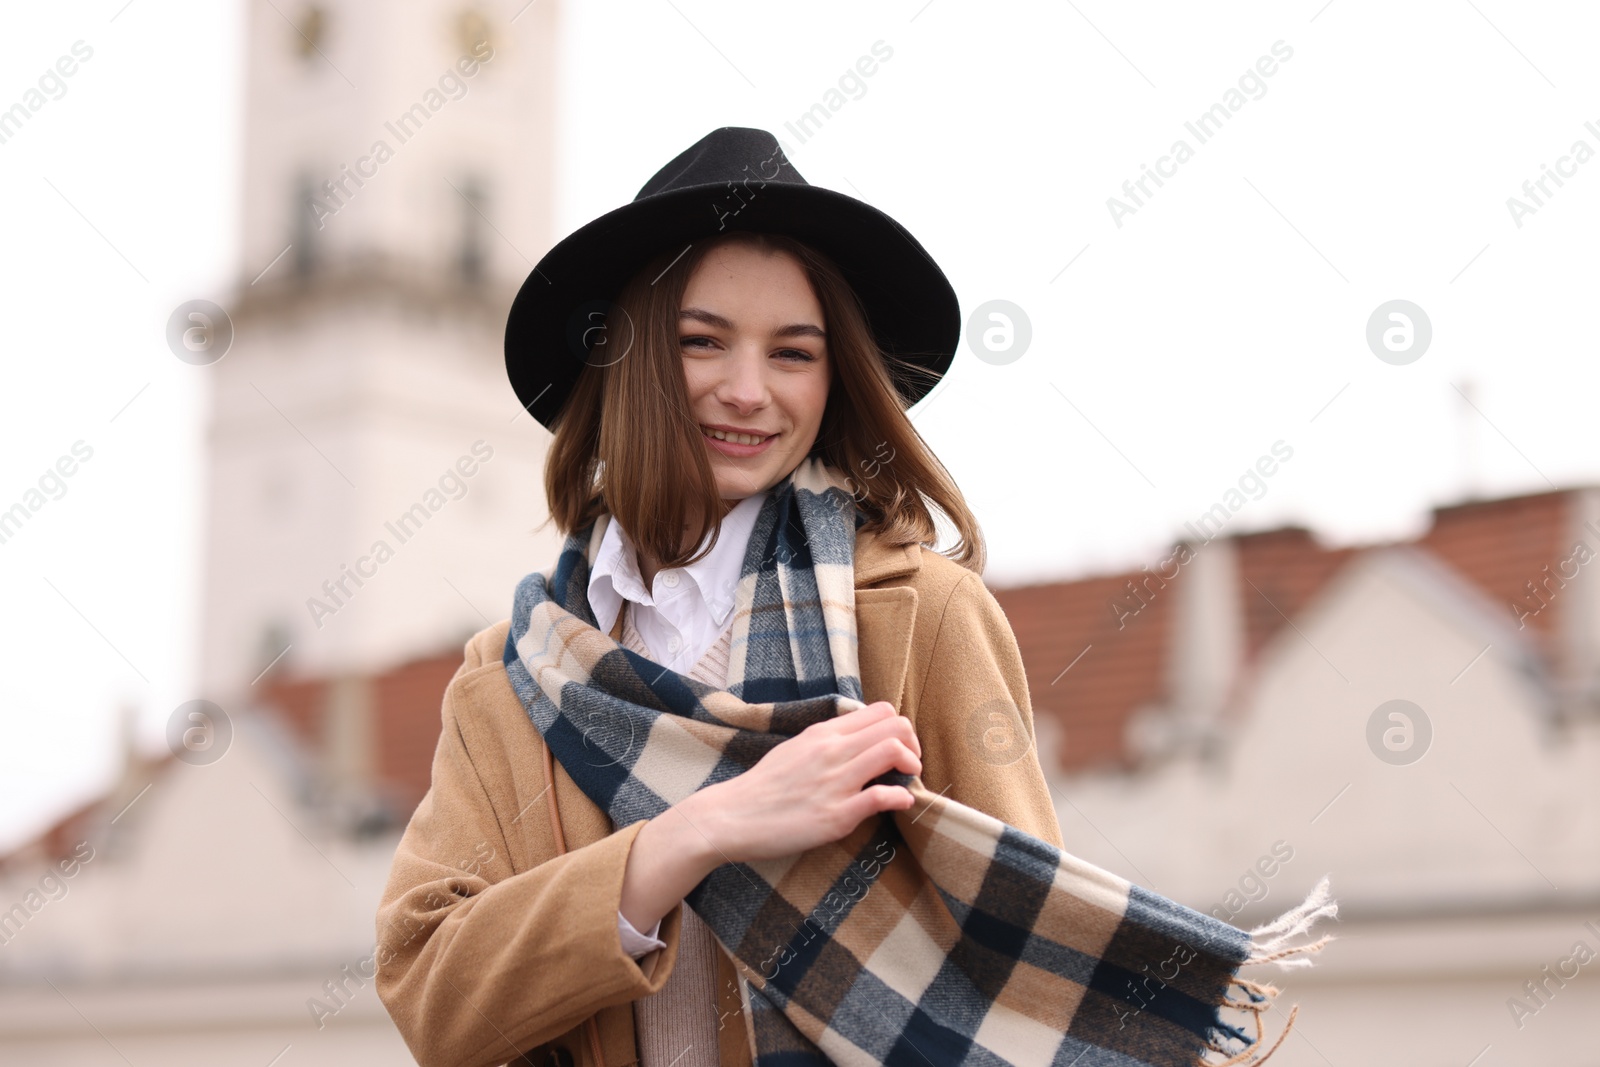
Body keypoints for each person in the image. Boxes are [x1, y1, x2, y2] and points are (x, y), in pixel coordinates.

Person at [374, 127, 1065, 1067]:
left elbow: (1032, 963)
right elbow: (433, 997)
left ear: (835, 380)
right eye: (703, 342)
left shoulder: (922, 616)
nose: (748, 391)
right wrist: (692, 834)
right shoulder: (506, 679)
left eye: (793, 354)